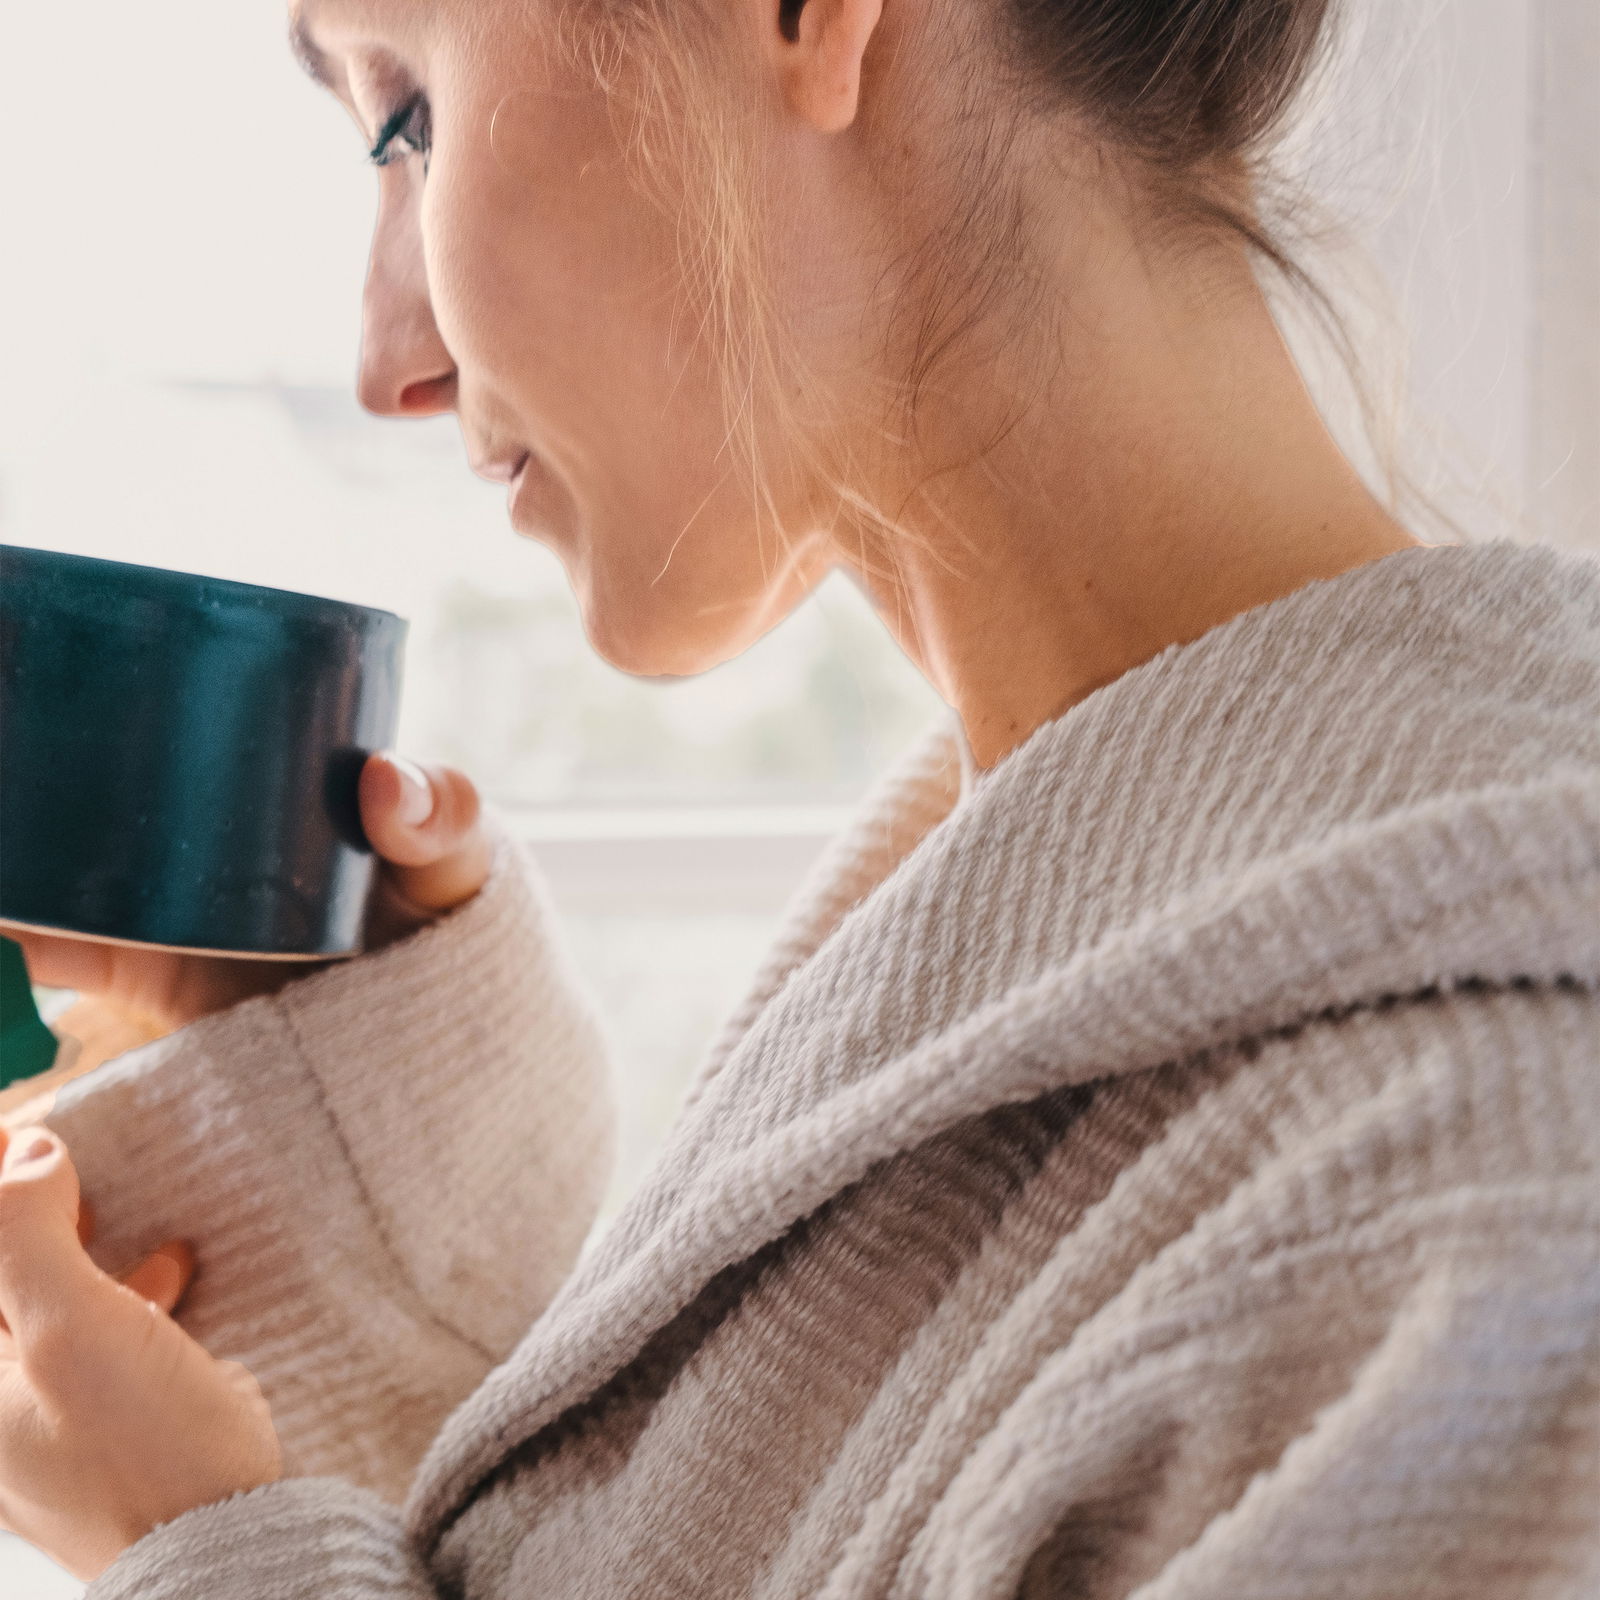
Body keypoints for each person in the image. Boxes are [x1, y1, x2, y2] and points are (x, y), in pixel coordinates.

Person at [0, 0, 1596, 1588]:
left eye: (409, 112)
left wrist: (187, 1553)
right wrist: (337, 1148)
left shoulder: (1501, 1201)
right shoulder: (1027, 928)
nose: (387, 364)